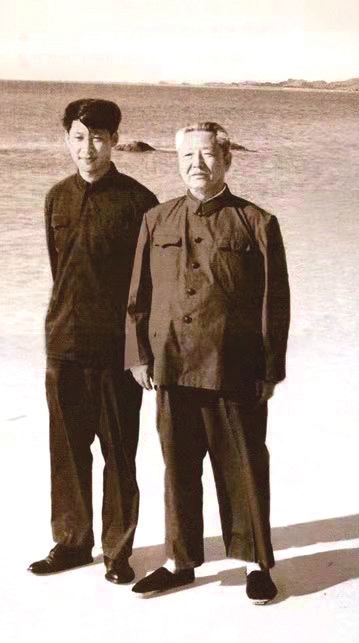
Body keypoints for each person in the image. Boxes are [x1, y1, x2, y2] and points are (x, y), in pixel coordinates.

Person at [125, 122, 290, 603]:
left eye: (207, 154)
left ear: (227, 159)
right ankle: (179, 562)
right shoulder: (156, 219)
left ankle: (256, 563)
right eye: (186, 156)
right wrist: (137, 356)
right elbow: (137, 296)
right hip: (171, 364)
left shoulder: (257, 222)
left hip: (233, 368)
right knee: (177, 467)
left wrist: (270, 370)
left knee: (245, 466)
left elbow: (275, 303)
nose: (196, 164)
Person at [28, 99, 158, 584]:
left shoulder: (140, 202)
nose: (88, 149)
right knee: (66, 450)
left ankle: (117, 552)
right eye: (79, 138)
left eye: (98, 138)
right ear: (67, 140)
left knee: (119, 453)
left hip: (117, 351)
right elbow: (57, 268)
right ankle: (72, 542)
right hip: (63, 343)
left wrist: (140, 352)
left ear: (115, 141)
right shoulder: (56, 197)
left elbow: (148, 285)